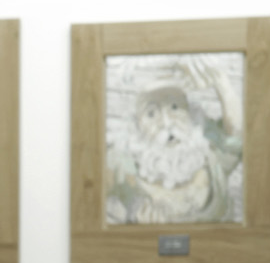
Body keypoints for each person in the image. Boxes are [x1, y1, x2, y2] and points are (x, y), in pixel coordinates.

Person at [105, 56, 245, 226]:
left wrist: (222, 84)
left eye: (174, 107)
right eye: (151, 113)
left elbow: (238, 137)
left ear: (190, 111)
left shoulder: (210, 152)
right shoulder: (120, 162)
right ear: (136, 125)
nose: (167, 123)